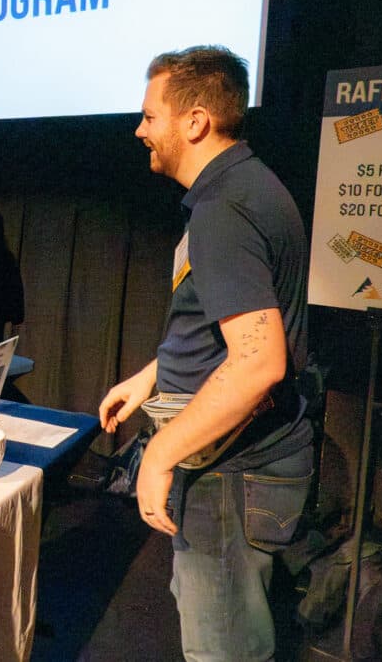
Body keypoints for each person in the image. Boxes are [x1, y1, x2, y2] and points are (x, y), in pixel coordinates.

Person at [97, 46, 313, 661]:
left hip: (231, 474)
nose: (139, 130)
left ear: (195, 122)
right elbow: (224, 331)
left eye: (150, 116)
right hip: (238, 469)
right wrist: (152, 376)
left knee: (222, 650)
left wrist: (160, 452)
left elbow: (259, 361)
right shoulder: (243, 189)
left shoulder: (225, 210)